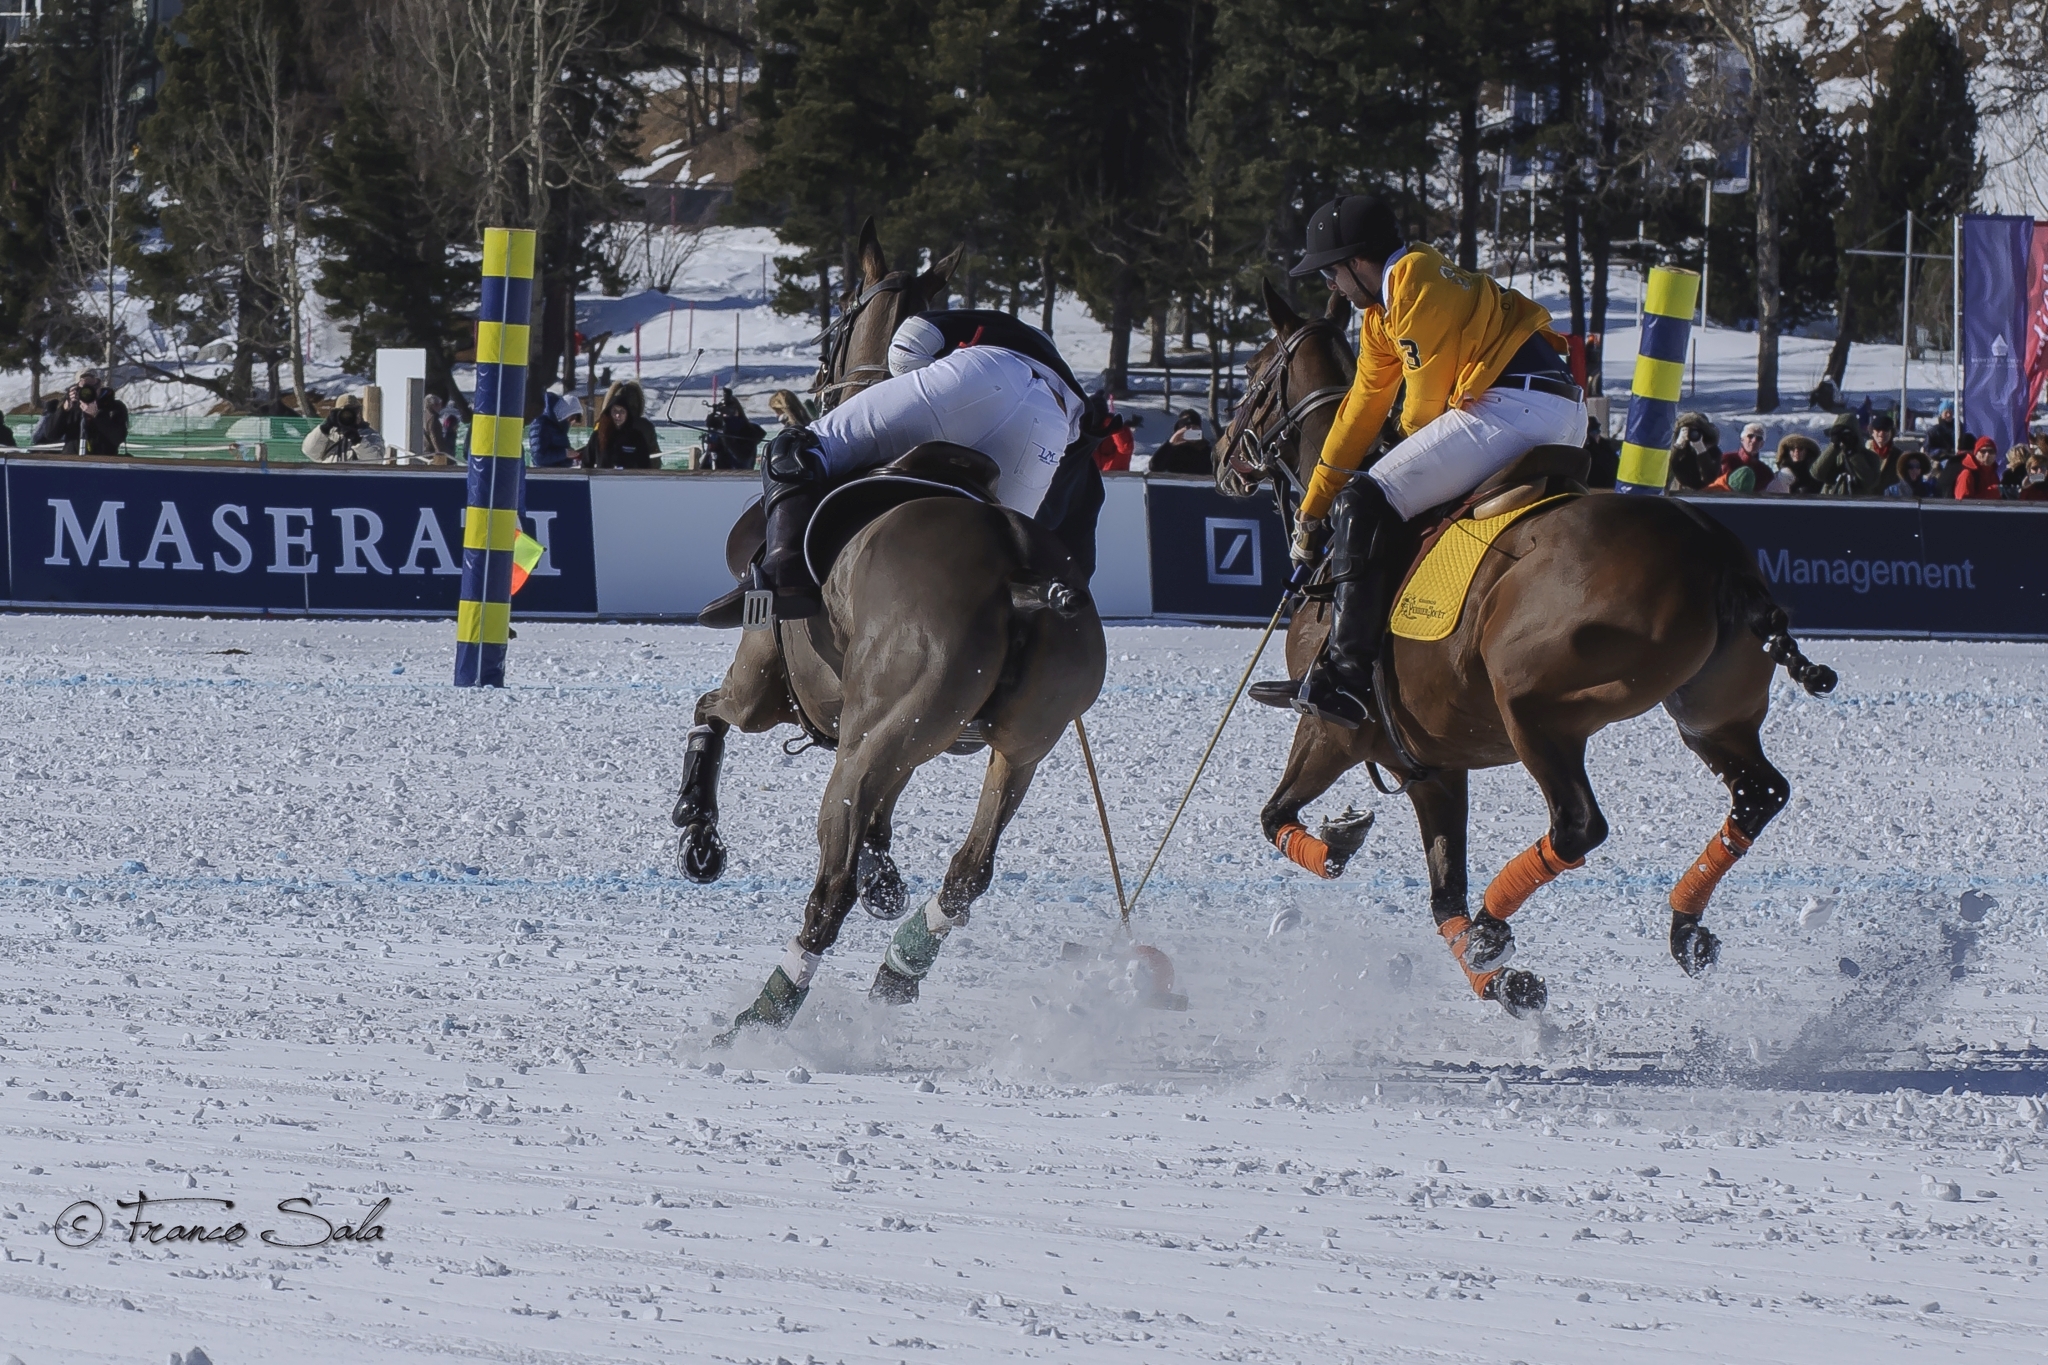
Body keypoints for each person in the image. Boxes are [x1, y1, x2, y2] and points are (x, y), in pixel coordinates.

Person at [1249, 194, 1586, 729]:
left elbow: (1423, 408)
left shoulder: (1414, 278)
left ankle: (1348, 675)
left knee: (1365, 496)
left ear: (1359, 260)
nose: (1332, 286)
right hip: (1551, 407)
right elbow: (1359, 411)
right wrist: (1311, 510)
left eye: (1333, 272)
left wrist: (1355, 487)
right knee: (1366, 489)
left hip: (1512, 409)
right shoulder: (1383, 314)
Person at [745, 307, 1090, 619]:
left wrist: (922, 395)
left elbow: (907, 346)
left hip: (982, 373)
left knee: (797, 445)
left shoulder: (984, 321)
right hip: (1053, 424)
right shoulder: (1053, 365)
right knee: (1008, 550)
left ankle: (784, 571)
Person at [33, 368, 129, 456]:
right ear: (76, 387)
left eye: (92, 386)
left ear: (100, 385)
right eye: (83, 387)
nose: (88, 391)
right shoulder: (73, 407)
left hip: (102, 463)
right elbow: (51, 434)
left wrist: (97, 416)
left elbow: (118, 437)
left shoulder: (114, 407)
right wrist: (64, 410)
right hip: (72, 462)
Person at [579, 380, 661, 470]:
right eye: (615, 410)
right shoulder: (646, 427)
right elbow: (654, 461)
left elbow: (588, 459)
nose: (618, 415)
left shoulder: (602, 426)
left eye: (622, 411)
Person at [301, 395, 387, 463]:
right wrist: (324, 428)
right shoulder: (328, 435)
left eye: (353, 412)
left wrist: (357, 440)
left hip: (356, 481)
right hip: (330, 479)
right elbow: (309, 452)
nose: (348, 416)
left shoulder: (371, 435)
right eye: (343, 413)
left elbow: (374, 461)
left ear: (360, 413)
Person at [1813, 413, 1882, 496]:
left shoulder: (1870, 457)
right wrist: (1834, 446)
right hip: (1831, 501)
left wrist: (1853, 454)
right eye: (1841, 434)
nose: (1844, 437)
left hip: (1858, 503)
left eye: (1847, 434)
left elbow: (1870, 482)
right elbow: (1817, 473)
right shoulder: (1833, 455)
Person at [702, 390, 766, 470]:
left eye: (728, 410)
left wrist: (724, 434)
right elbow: (709, 460)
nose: (725, 415)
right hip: (717, 476)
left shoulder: (748, 431)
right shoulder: (719, 430)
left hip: (739, 478)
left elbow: (741, 458)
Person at [525, 383, 581, 468]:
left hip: (559, 474)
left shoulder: (559, 427)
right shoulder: (541, 424)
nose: (572, 423)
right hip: (543, 476)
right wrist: (565, 453)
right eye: (572, 417)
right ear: (565, 413)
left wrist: (571, 458)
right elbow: (539, 457)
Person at [1148, 409, 1214, 475]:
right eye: (1186, 429)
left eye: (1194, 430)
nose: (1190, 432)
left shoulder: (1206, 451)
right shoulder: (1171, 450)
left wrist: (1201, 445)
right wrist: (1171, 443)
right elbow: (1154, 467)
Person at [1667, 412, 1719, 491]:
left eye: (1695, 431)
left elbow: (1710, 478)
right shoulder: (1674, 451)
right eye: (1686, 430)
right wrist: (1678, 446)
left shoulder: (1713, 451)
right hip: (1676, 493)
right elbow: (1665, 471)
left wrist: (1701, 450)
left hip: (1704, 495)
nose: (1690, 434)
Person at [1720, 422, 1772, 488]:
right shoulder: (1725, 460)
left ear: (1762, 444)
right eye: (1750, 436)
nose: (1754, 440)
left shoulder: (1765, 472)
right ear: (1742, 439)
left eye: (1759, 438)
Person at [1954, 436, 2002, 500]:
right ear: (1976, 453)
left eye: (1991, 451)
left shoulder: (1993, 473)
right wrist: (1991, 493)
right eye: (1983, 451)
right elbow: (1962, 504)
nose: (1987, 454)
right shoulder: (1967, 474)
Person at [1866, 412, 1900, 488]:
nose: (1881, 433)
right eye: (1878, 429)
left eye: (1886, 430)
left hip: (1889, 498)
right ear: (1872, 432)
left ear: (1892, 433)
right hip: (1866, 497)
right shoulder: (1864, 453)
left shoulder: (1898, 456)